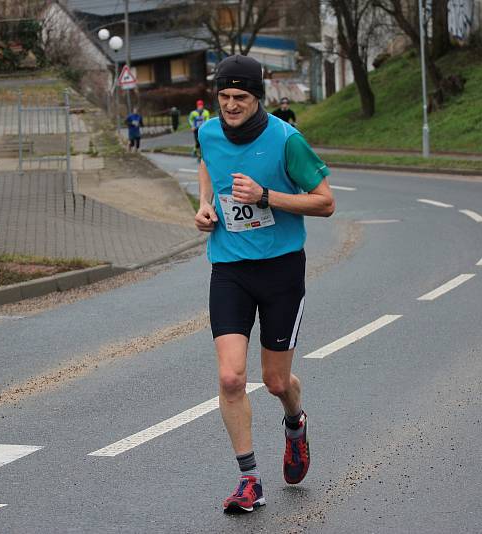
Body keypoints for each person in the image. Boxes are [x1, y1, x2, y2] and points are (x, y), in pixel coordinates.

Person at [194, 54, 335, 513]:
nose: (231, 105)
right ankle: (249, 480)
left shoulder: (286, 140)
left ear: (259, 98)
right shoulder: (208, 131)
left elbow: (325, 202)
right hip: (230, 268)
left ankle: (295, 424)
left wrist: (266, 196)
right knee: (231, 376)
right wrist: (203, 207)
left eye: (241, 97)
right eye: (225, 96)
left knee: (275, 381)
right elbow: (207, 163)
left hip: (280, 270)